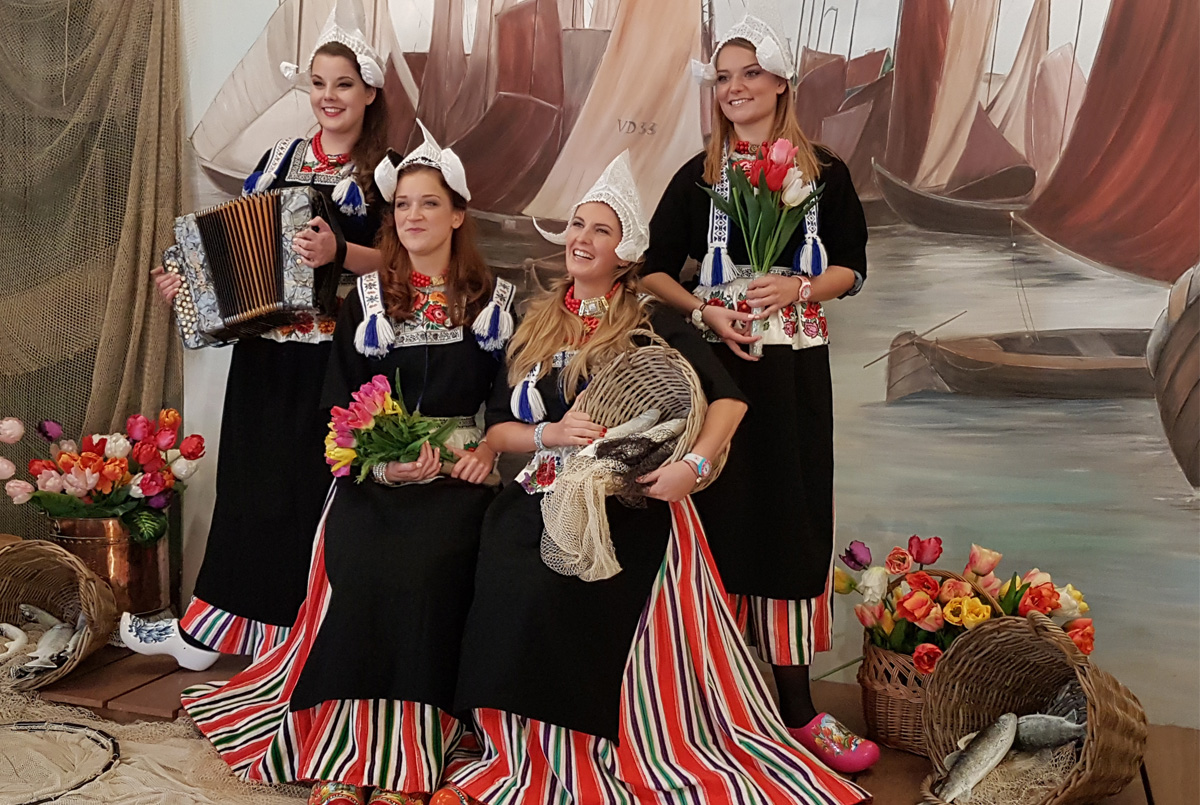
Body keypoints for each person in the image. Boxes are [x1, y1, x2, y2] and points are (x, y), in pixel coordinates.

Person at [432, 153, 868, 805]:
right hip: (545, 487)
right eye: (577, 225)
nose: (581, 238)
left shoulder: (651, 319)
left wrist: (694, 466)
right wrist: (551, 434)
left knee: (566, 584)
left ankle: (585, 748)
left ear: (627, 252)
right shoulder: (533, 322)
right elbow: (498, 431)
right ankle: (512, 749)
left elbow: (730, 402)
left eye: (600, 230)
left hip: (629, 498)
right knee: (508, 565)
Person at [181, 127, 519, 805]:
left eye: (430, 203)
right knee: (361, 558)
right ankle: (344, 746)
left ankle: (412, 751)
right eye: (404, 205)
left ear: (458, 215)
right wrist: (385, 468)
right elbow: (338, 406)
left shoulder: (496, 303)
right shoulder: (365, 300)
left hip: (459, 484)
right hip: (376, 480)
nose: (413, 216)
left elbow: (508, 407)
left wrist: (485, 451)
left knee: (430, 569)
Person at [638, 10, 879, 774]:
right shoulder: (699, 175)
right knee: (721, 514)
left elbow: (852, 268)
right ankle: (716, 692)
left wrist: (799, 285)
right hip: (718, 376)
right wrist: (703, 309)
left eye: (749, 74)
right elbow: (650, 268)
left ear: (781, 83)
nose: (734, 88)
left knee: (791, 513)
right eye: (723, 77)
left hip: (794, 372)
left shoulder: (826, 174)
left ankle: (797, 706)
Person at [121, 3, 391, 670]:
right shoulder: (279, 159)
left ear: (370, 93)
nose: (328, 97)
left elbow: (404, 263)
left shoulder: (385, 172)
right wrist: (186, 286)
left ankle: (302, 635)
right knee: (247, 488)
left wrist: (339, 252)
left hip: (334, 356)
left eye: (344, 84)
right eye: (319, 84)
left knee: (310, 489)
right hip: (264, 351)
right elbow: (230, 246)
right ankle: (212, 631)